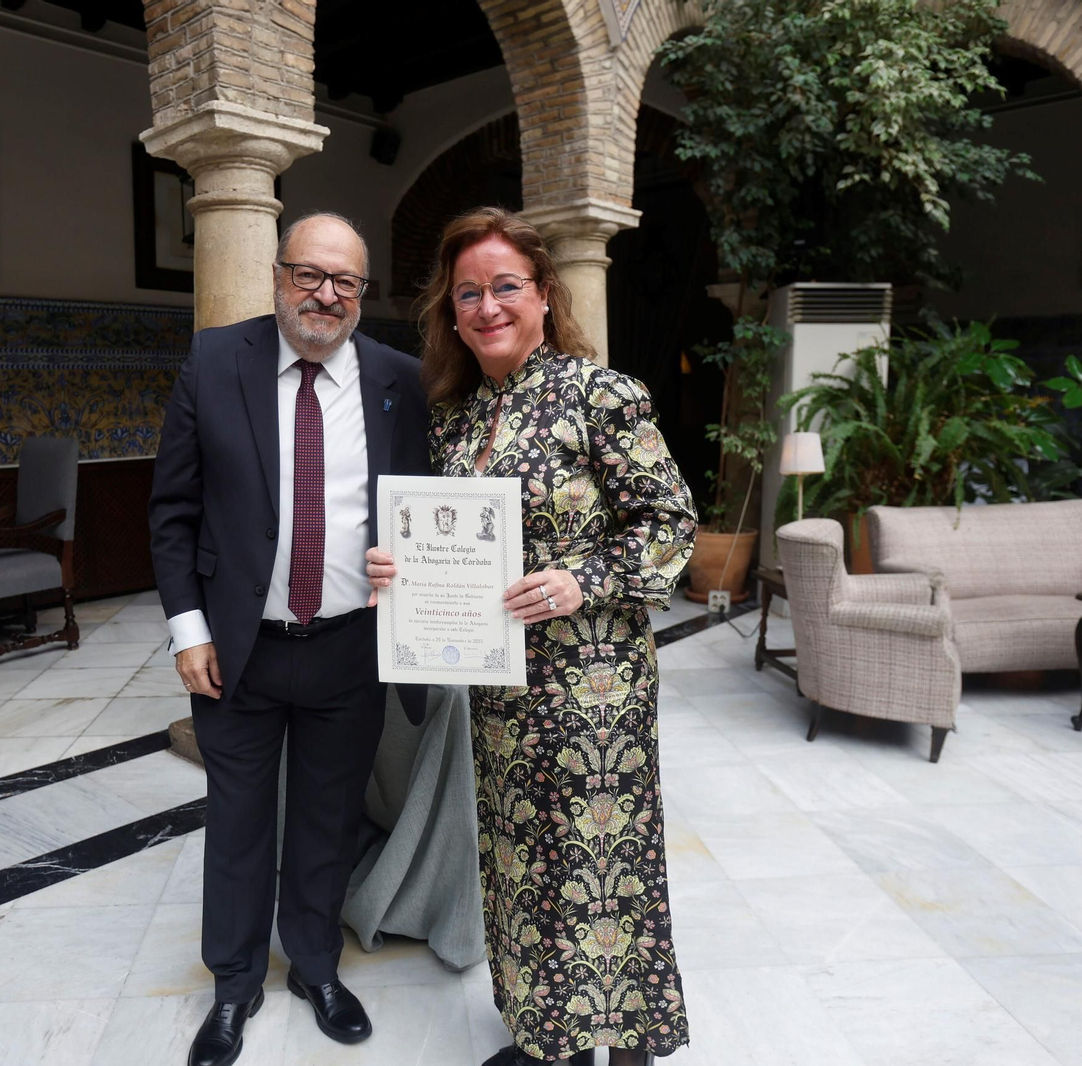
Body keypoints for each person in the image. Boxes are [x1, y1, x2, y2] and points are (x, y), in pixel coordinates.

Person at [367, 207, 696, 1065]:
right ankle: (546, 1034)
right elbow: (446, 542)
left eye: (505, 287)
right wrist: (399, 573)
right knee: (519, 864)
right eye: (467, 292)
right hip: (498, 686)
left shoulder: (600, 393)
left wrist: (581, 579)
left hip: (594, 687)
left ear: (545, 294)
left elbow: (669, 523)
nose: (486, 307)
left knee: (601, 862)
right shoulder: (455, 419)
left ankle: (622, 1042)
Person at [149, 212, 429, 1066]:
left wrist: (413, 572)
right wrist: (187, 629)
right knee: (237, 820)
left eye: (345, 281)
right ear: (277, 277)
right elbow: (173, 512)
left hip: (349, 646)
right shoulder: (213, 361)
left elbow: (424, 511)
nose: (326, 294)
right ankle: (233, 985)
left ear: (362, 294)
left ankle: (315, 966)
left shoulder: (400, 380)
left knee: (328, 818)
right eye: (309, 274)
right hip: (239, 649)